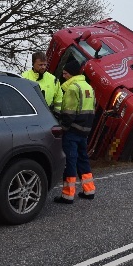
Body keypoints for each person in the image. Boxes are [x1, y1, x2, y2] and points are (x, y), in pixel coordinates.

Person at [55, 59, 97, 204]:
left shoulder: (72, 88)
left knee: (70, 161)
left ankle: (67, 195)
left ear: (71, 74)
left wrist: (63, 129)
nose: (63, 75)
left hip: (72, 131)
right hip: (84, 131)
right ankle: (89, 190)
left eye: (65, 73)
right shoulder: (88, 87)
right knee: (83, 160)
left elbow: (69, 113)